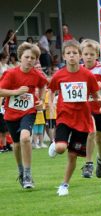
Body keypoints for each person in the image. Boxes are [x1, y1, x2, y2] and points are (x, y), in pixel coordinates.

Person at [47, 40, 101, 196]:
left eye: (75, 53)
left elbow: (95, 94)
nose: (72, 56)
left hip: (82, 120)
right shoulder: (59, 75)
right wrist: (51, 104)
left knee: (72, 155)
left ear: (80, 56)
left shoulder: (88, 75)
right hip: (64, 117)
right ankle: (55, 143)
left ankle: (64, 185)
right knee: (60, 148)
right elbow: (51, 91)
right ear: (64, 56)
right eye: (68, 53)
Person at [0, 42, 48, 188]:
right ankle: (21, 170)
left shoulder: (37, 74)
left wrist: (41, 101)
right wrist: (16, 92)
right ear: (20, 57)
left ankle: (27, 174)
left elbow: (43, 84)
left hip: (29, 111)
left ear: (36, 60)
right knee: (16, 144)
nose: (29, 60)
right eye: (27, 57)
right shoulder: (11, 74)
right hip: (11, 113)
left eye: (33, 58)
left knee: (25, 138)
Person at [80, 39, 101, 179]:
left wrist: (100, 85)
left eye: (92, 54)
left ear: (97, 55)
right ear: (81, 55)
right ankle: (88, 164)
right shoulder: (79, 69)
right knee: (91, 133)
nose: (89, 57)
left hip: (99, 107)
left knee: (100, 137)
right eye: (86, 54)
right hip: (85, 108)